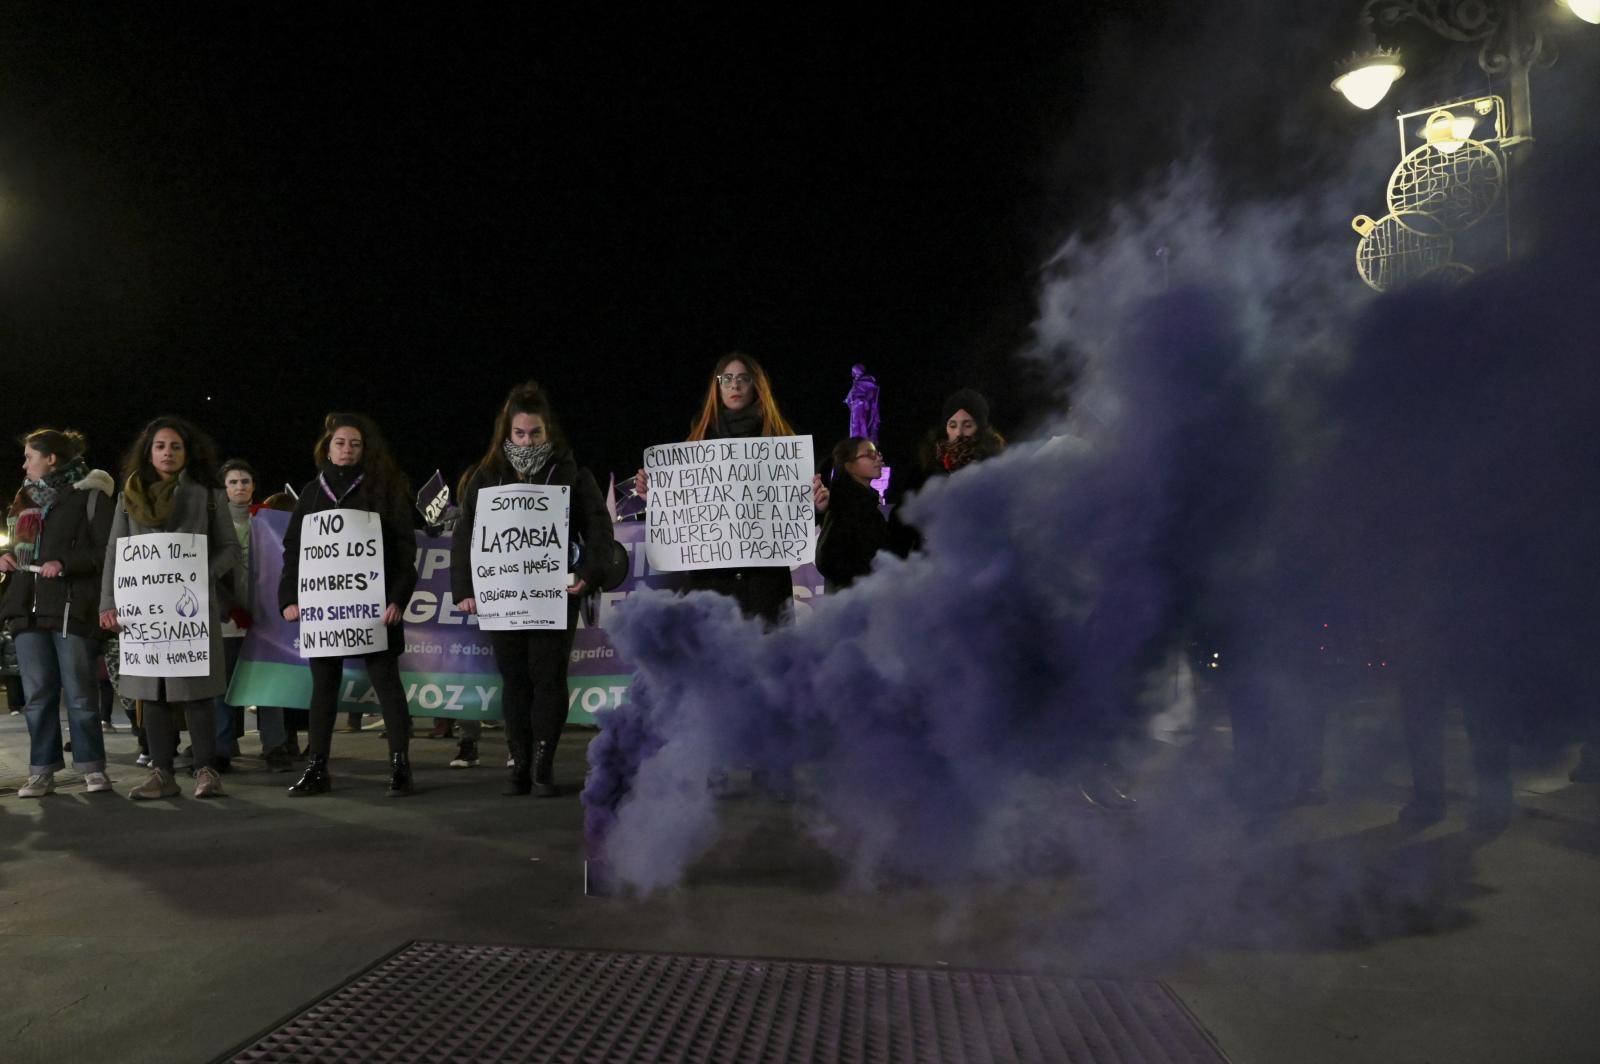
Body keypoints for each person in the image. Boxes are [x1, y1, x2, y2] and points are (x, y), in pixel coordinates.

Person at [452, 382, 615, 796]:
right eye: (520, 433)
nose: (527, 440)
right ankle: (519, 764)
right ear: (506, 433)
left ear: (549, 432)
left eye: (535, 433)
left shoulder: (573, 473)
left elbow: (599, 529)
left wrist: (588, 573)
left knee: (548, 676)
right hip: (502, 595)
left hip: (556, 595)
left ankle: (542, 764)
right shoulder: (485, 476)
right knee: (514, 679)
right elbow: (465, 534)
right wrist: (464, 587)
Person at [98, 416, 240, 800]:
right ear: (148, 452)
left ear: (187, 452)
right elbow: (115, 549)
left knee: (195, 691)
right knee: (153, 692)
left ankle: (205, 770)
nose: (167, 453)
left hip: (190, 610)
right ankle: (161, 773)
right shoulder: (129, 495)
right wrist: (108, 603)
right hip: (144, 612)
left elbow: (230, 548)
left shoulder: (208, 494)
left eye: (175, 446)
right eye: (160, 446)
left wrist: (202, 573)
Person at [634, 352, 829, 626]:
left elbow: (796, 514)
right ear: (718, 386)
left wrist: (817, 506)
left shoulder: (784, 444)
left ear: (756, 385)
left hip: (765, 588)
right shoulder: (695, 443)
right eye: (727, 379)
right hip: (712, 587)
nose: (734, 386)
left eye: (743, 379)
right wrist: (655, 498)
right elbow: (685, 511)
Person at [279, 413, 418, 797]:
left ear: (365, 450)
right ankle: (317, 768)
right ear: (328, 446)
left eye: (355, 444)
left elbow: (407, 549)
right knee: (323, 687)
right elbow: (294, 548)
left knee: (387, 683)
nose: (346, 449)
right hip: (326, 610)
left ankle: (400, 766)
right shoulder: (311, 492)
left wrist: (397, 598)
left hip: (376, 607)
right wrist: (289, 597)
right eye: (340, 442)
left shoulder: (385, 489)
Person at [1, 428, 116, 797]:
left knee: (81, 695)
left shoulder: (90, 496)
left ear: (51, 459)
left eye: (29, 456)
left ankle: (92, 768)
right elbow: (18, 547)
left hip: (69, 609)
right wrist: (6, 558)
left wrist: (64, 562)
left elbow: (107, 553)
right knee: (38, 696)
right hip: (27, 611)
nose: (24, 464)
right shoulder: (23, 498)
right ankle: (42, 770)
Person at [816, 436, 910, 592]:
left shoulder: (864, 502)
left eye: (877, 453)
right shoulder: (846, 505)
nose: (878, 458)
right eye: (870, 454)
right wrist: (865, 578)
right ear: (849, 466)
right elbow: (826, 560)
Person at [212, 458, 258, 771]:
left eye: (245, 481)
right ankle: (223, 747)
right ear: (224, 488)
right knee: (224, 686)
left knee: (267, 683)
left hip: (264, 618)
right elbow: (209, 572)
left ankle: (278, 745)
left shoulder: (266, 520)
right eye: (233, 482)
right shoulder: (214, 523)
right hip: (228, 618)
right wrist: (230, 607)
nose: (240, 486)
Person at [918, 387, 1006, 476]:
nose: (958, 432)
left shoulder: (998, 468)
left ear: (981, 430)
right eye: (952, 426)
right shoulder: (929, 472)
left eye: (967, 425)